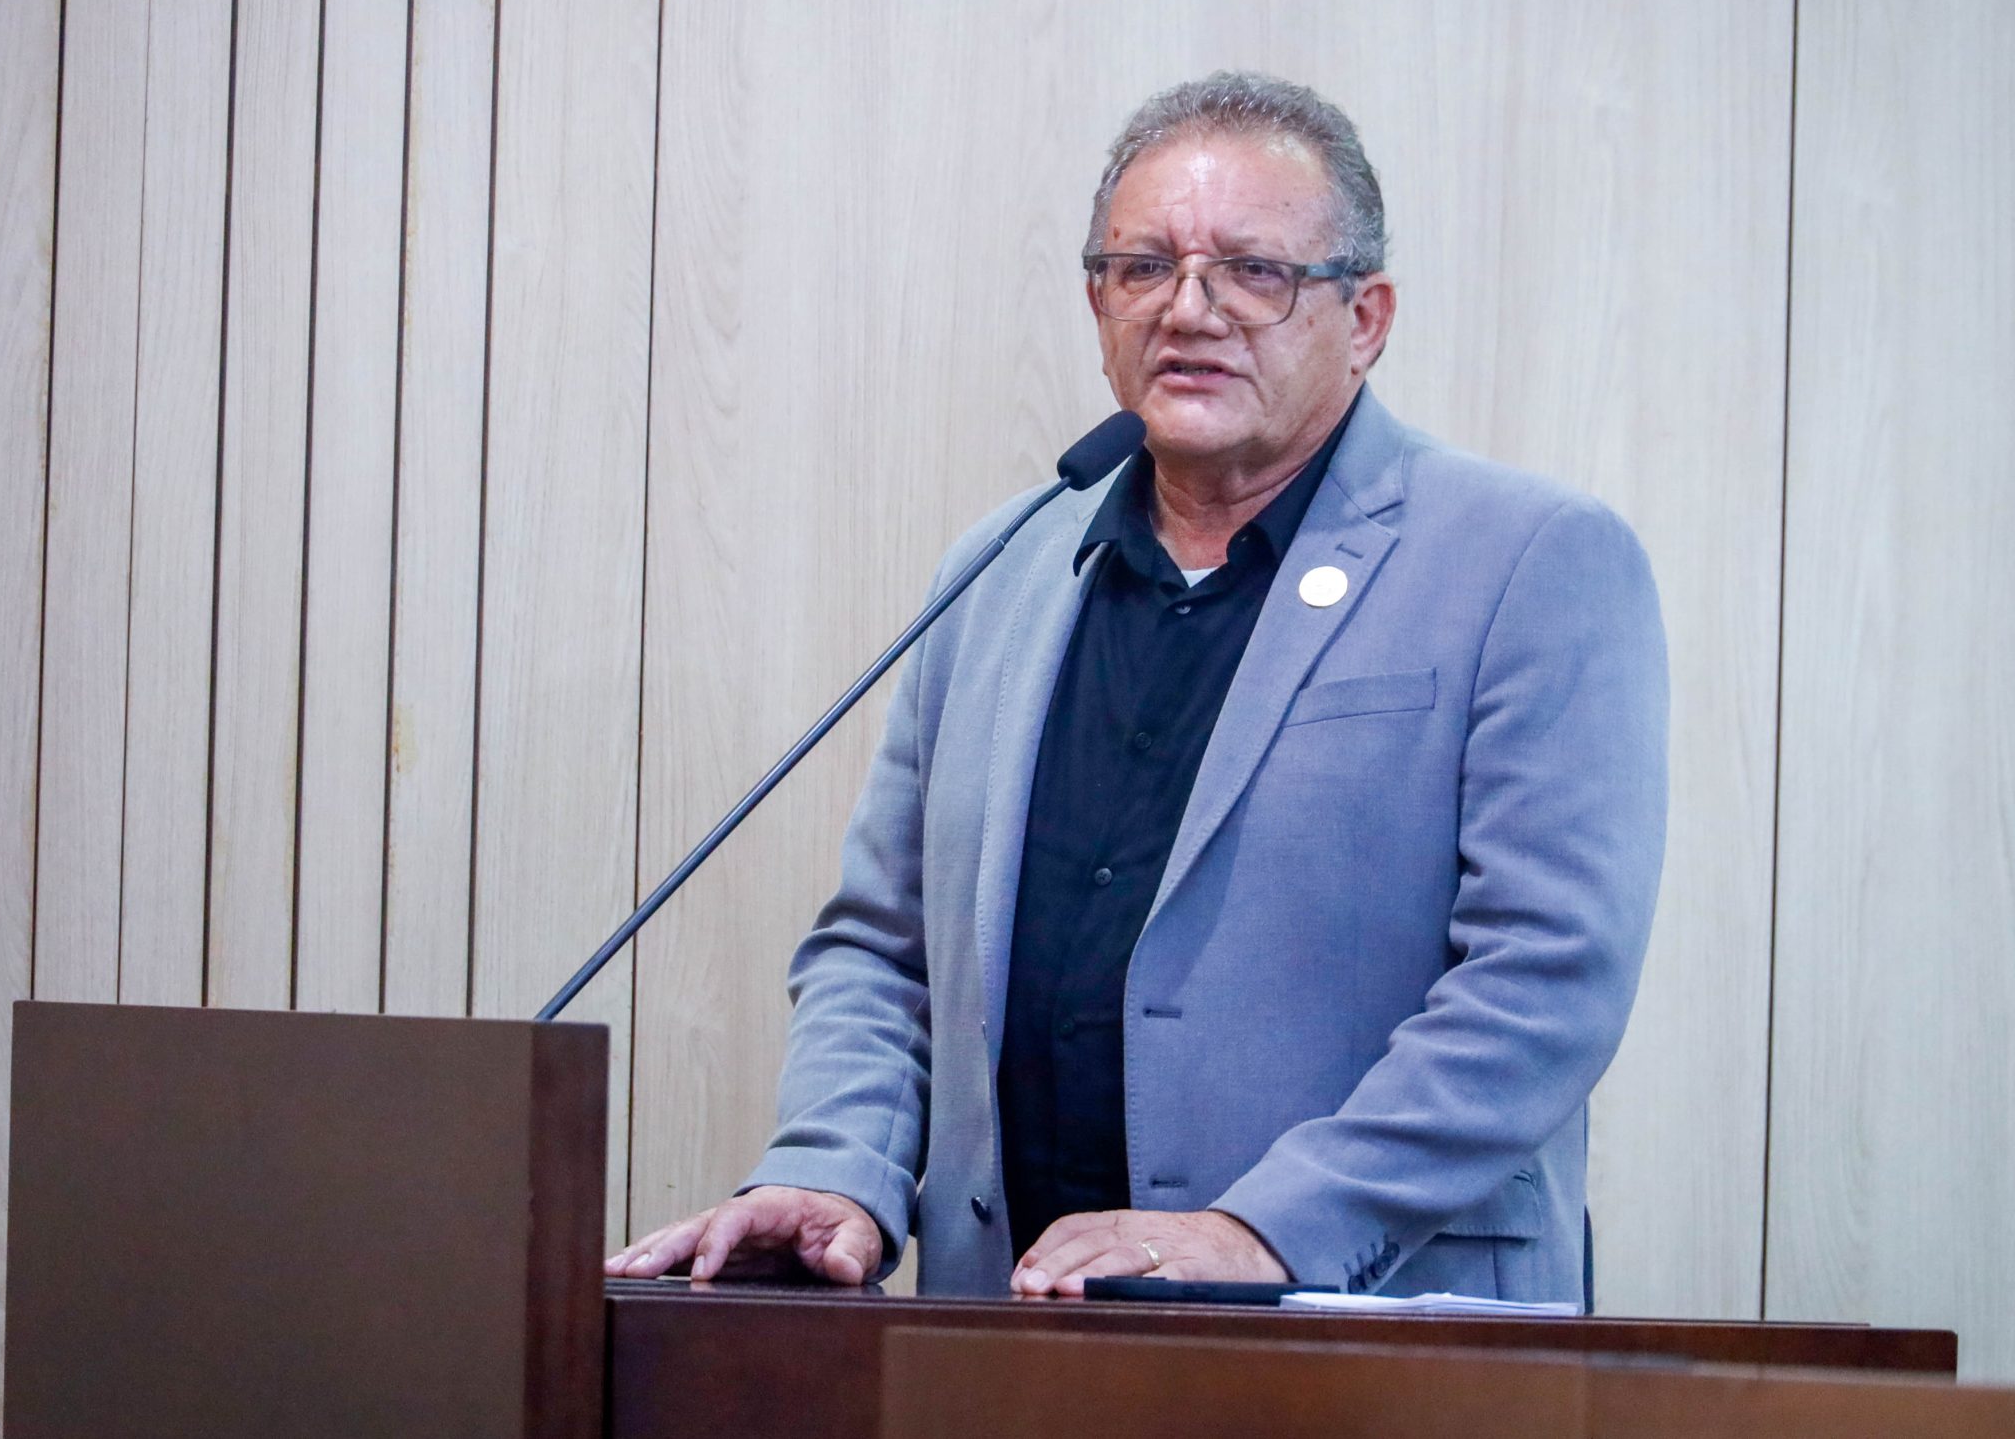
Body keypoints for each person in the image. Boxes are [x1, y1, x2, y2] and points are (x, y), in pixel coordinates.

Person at [607, 72, 1667, 1304]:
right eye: (1142, 267)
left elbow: (1544, 979)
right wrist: (836, 1170)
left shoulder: (1527, 560)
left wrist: (1265, 1230)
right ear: (1098, 304)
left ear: (1365, 318)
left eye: (1253, 272)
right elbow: (884, 950)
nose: (1188, 310)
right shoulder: (1003, 567)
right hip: (1004, 1332)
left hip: (1363, 1330)